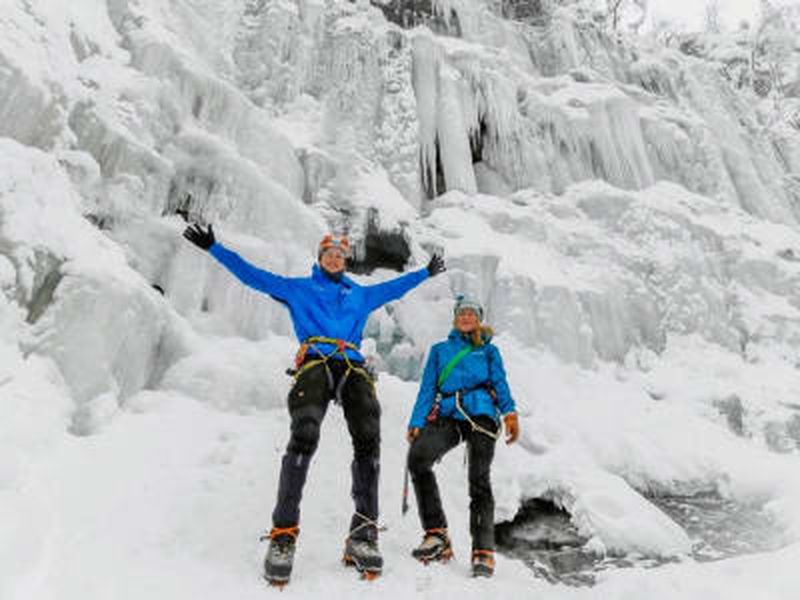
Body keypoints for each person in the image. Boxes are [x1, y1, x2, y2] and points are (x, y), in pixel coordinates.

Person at [183, 224, 445, 585]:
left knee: (369, 435)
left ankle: (364, 534)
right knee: (304, 432)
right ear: (320, 258)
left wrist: (425, 274)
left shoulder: (360, 294)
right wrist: (215, 248)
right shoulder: (299, 289)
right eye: (329, 254)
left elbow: (393, 287)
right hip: (316, 362)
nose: (335, 258)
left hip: (351, 364)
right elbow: (253, 276)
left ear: (344, 261)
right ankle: (283, 536)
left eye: (340, 254)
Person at [406, 295, 519, 578]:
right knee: (419, 458)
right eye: (462, 313)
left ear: (479, 319)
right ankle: (436, 534)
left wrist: (510, 412)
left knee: (478, 479)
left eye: (472, 313)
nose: (467, 317)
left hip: (481, 414)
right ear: (456, 318)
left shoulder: (489, 351)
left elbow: (500, 382)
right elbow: (427, 388)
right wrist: (416, 421)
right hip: (448, 413)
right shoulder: (440, 350)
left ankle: (483, 549)